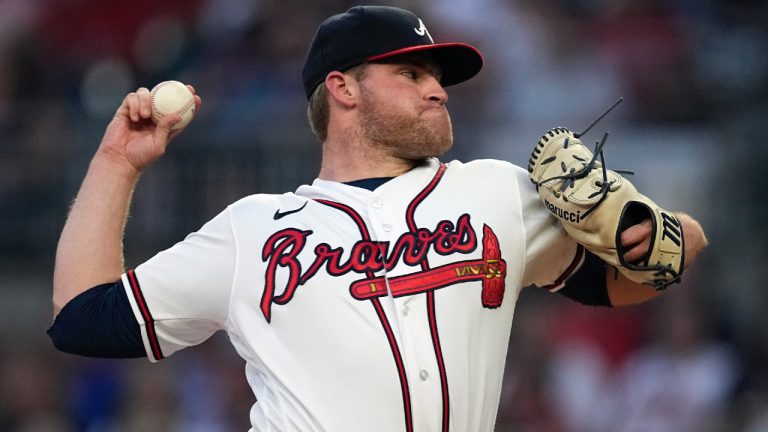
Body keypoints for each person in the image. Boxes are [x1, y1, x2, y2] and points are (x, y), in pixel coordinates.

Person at [48, 5, 708, 432]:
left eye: (438, 75)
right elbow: (82, 318)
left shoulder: (497, 193)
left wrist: (635, 225)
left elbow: (648, 273)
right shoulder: (255, 228)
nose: (437, 87)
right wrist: (116, 162)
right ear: (342, 87)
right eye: (412, 72)